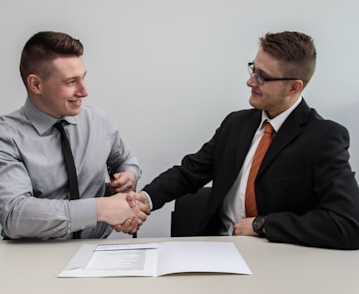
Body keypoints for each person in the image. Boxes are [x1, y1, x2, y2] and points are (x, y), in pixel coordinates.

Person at [133, 31, 359, 249]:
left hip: (279, 261)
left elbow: (349, 225)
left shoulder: (323, 138)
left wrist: (263, 224)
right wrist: (145, 199)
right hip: (217, 251)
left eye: (263, 77)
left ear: (294, 87)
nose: (250, 82)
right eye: (253, 69)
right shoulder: (235, 124)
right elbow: (189, 172)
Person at [0, 31, 149, 240]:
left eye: (83, 78)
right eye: (70, 82)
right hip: (32, 258)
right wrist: (99, 209)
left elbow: (126, 160)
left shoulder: (98, 121)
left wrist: (128, 176)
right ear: (36, 84)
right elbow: (16, 216)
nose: (84, 91)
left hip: (97, 250)